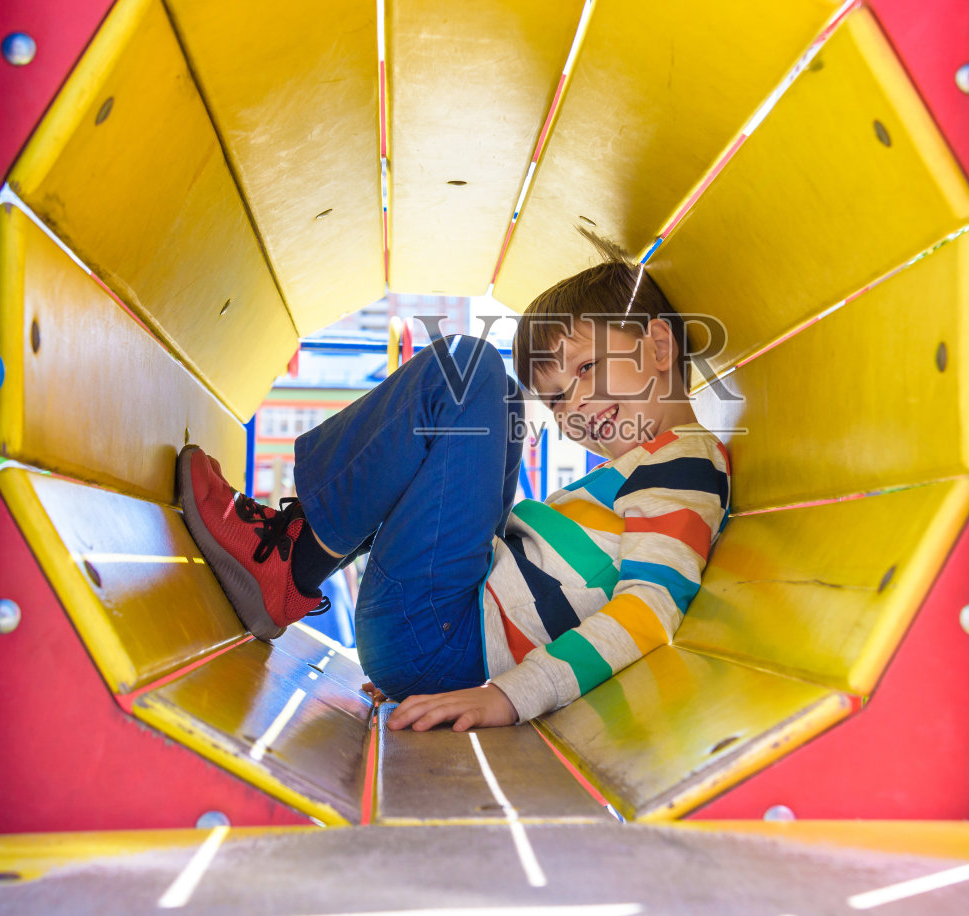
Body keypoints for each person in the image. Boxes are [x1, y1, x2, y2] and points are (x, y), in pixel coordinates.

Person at [176, 244, 731, 732]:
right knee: (500, 401)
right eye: (557, 398)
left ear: (660, 347)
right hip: (442, 635)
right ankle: (299, 557)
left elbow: (650, 608)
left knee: (467, 370)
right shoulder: (647, 467)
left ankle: (294, 563)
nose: (575, 404)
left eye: (586, 367)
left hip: (445, 634)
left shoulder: (684, 466)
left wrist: (509, 694)